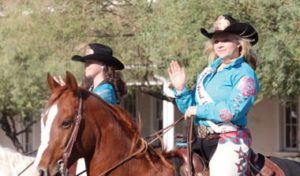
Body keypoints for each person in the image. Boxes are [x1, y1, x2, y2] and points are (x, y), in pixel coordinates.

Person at [168, 15, 259, 176]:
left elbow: (231, 111)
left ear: (239, 42)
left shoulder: (245, 73)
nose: (219, 44)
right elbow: (191, 109)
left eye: (225, 39)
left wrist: (198, 110)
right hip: (200, 141)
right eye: (216, 41)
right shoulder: (209, 72)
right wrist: (181, 90)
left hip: (229, 141)